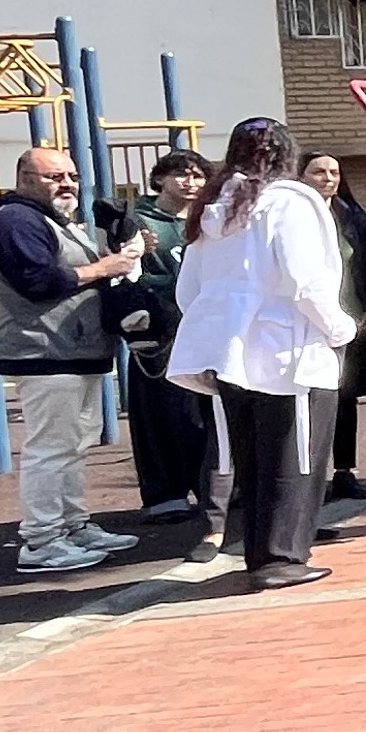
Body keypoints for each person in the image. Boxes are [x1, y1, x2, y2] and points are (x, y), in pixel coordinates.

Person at [164, 117, 358, 593]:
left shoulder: (213, 208)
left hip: (229, 356)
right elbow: (305, 280)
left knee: (251, 458)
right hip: (287, 353)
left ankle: (258, 552)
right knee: (294, 458)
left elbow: (188, 290)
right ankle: (281, 558)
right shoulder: (289, 203)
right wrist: (341, 328)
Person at [0, 143, 144, 576]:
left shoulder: (55, 221)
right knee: (50, 449)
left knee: (73, 445)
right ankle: (41, 540)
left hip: (76, 350)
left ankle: (72, 525)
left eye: (71, 176)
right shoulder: (14, 221)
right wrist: (103, 268)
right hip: (44, 352)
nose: (67, 184)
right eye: (55, 177)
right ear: (25, 180)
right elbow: (37, 281)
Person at [116, 148, 218, 524]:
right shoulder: (138, 223)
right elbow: (128, 276)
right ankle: (165, 493)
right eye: (181, 174)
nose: (190, 183)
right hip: (159, 334)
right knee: (158, 415)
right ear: (159, 178)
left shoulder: (210, 220)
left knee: (203, 415)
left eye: (198, 175)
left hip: (204, 330)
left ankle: (213, 489)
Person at [302, 152, 366, 506]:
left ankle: (344, 472)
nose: (328, 178)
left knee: (344, 398)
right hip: (306, 326)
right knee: (308, 404)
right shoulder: (292, 217)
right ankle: (309, 479)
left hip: (351, 322)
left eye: (334, 172)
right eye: (318, 171)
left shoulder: (352, 216)